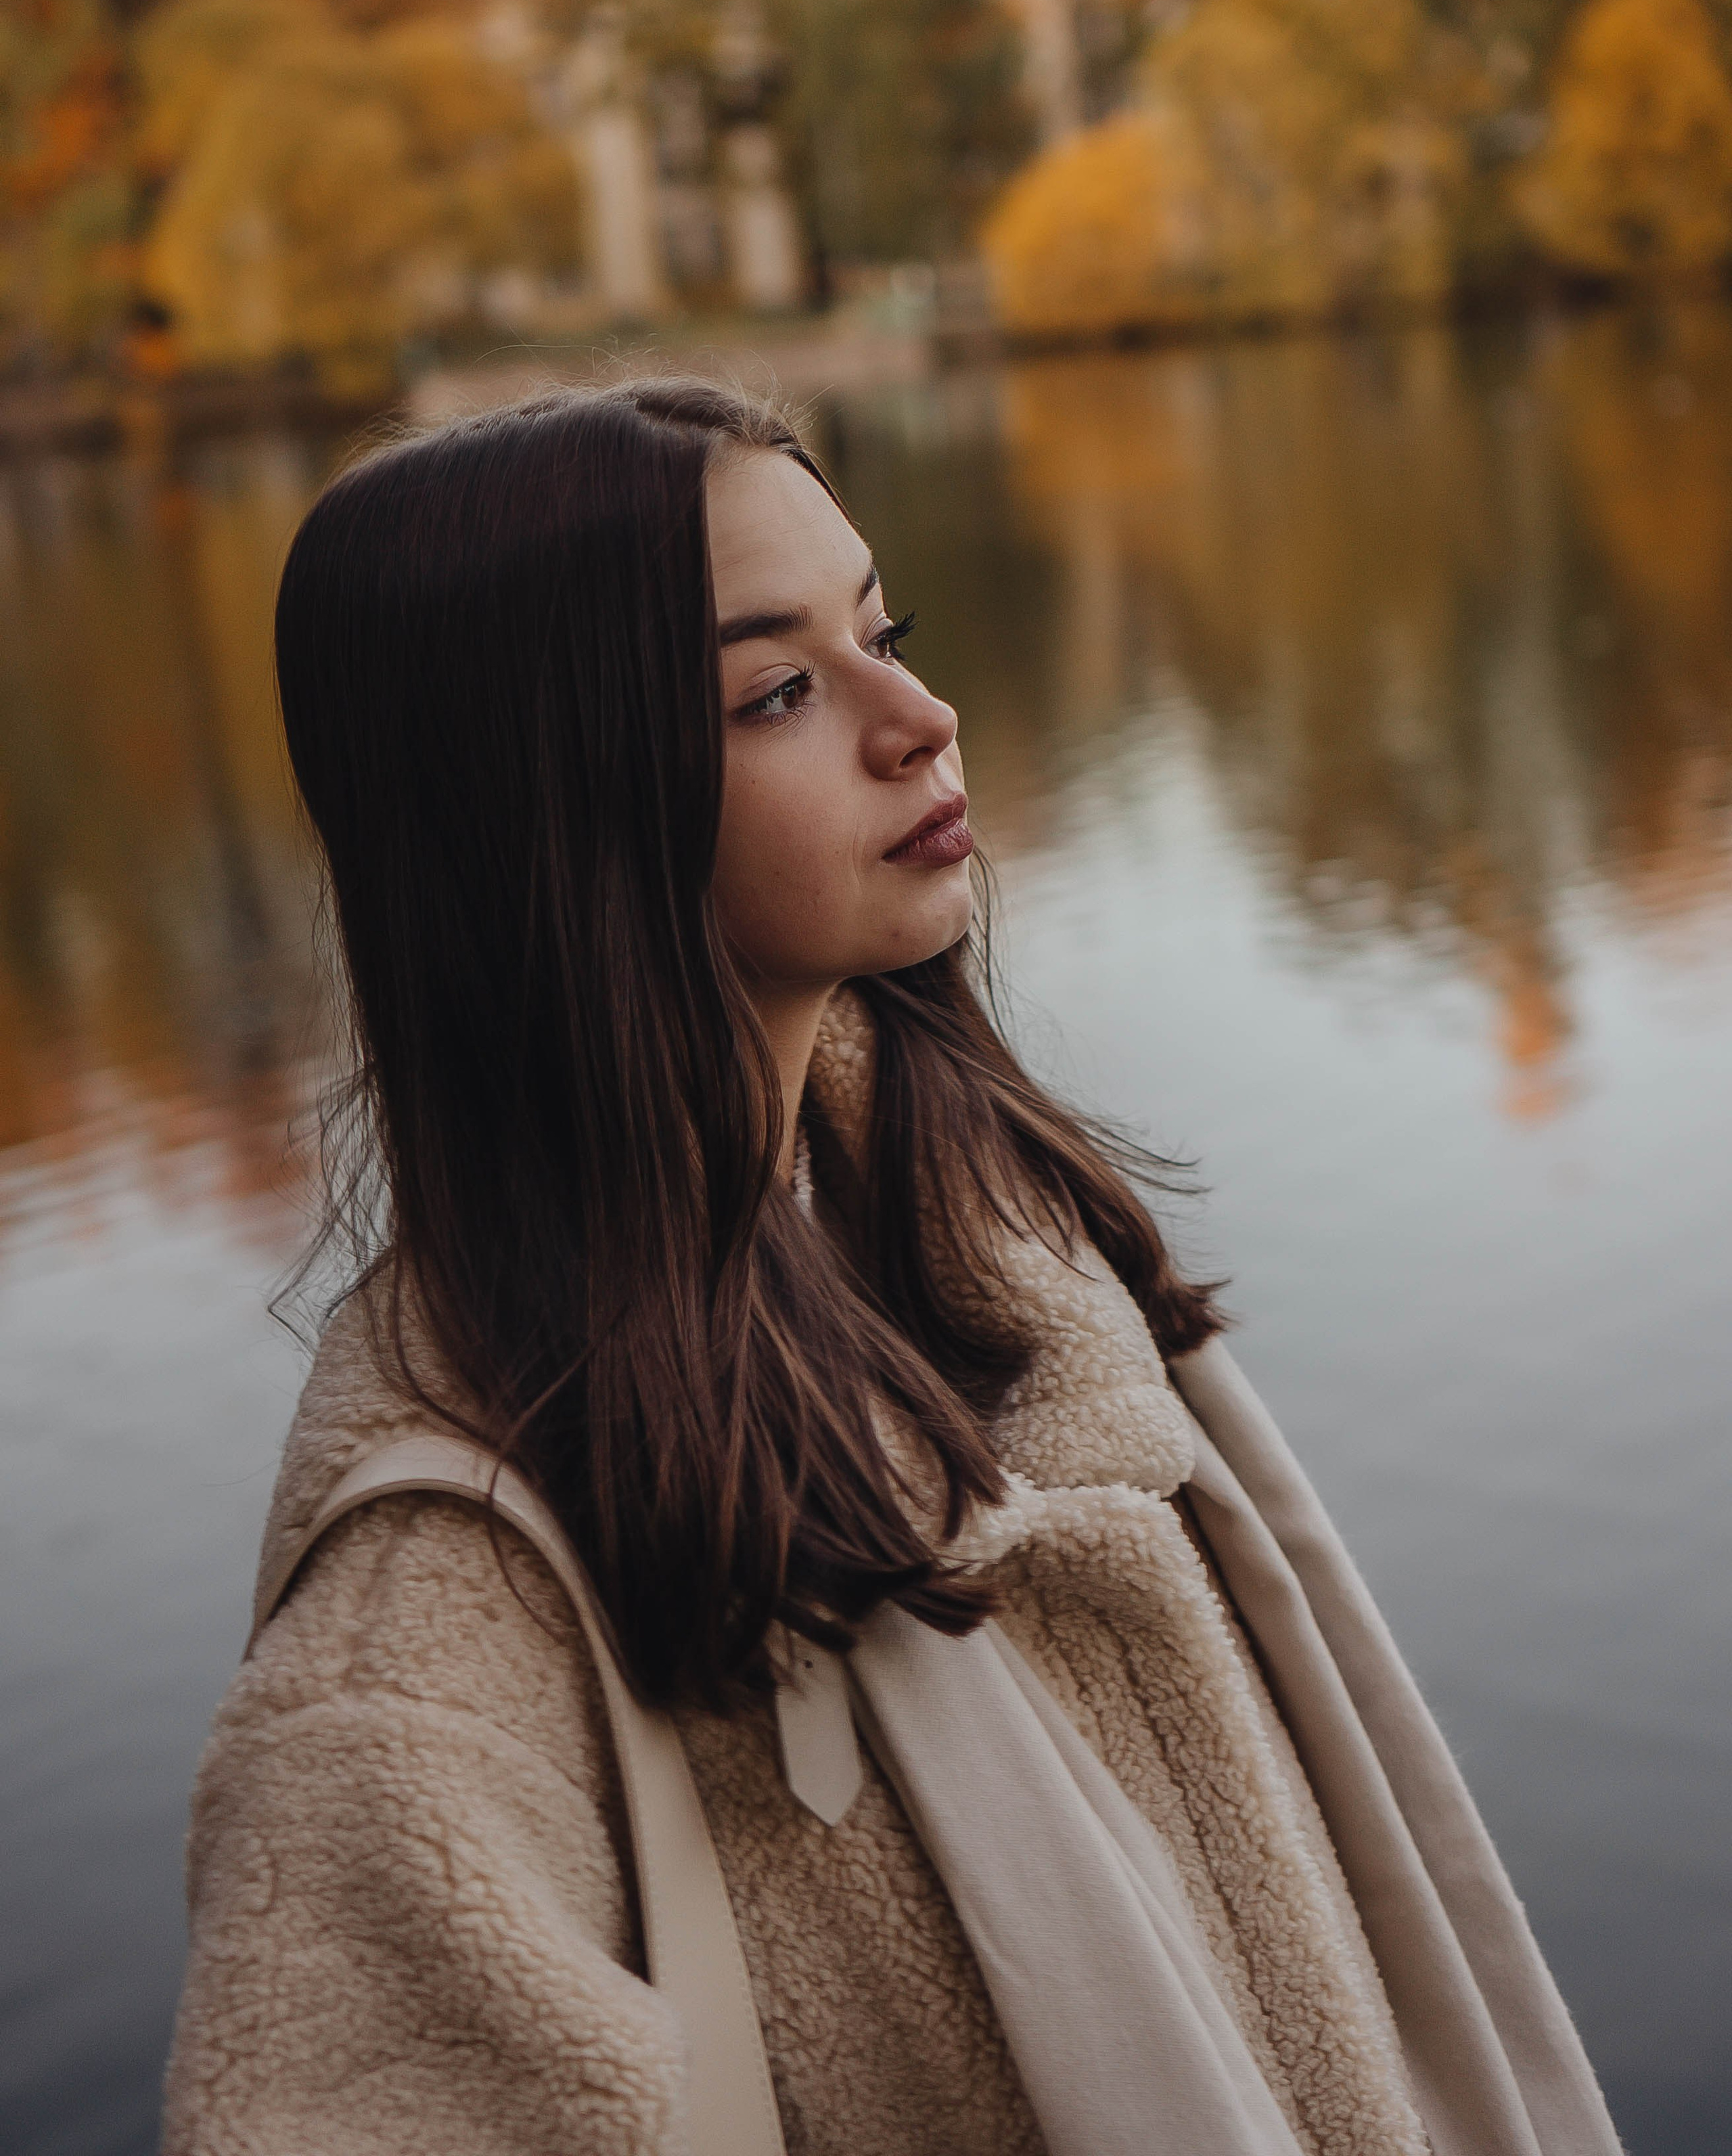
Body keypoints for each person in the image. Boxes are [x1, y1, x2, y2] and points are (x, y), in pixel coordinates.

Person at [163, 378, 1622, 2156]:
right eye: (776, 691)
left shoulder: (996, 1249)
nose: (921, 720)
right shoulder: (428, 1639)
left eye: (883, 634)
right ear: (549, 820)